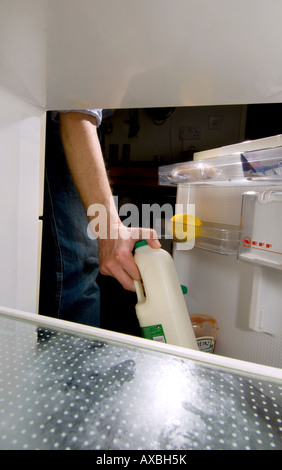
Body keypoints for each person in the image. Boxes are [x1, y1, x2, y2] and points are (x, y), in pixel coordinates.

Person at [39, 109, 160, 327]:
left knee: (71, 268)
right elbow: (75, 108)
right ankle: (75, 359)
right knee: (76, 271)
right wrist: (109, 229)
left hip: (78, 126)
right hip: (68, 127)